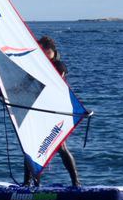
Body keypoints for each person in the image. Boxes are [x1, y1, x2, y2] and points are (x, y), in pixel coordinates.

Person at [23, 35, 81, 188]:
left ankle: (76, 183)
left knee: (60, 146)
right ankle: (29, 183)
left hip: (56, 111)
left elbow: (55, 85)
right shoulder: (38, 67)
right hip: (39, 110)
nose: (42, 54)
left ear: (51, 51)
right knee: (31, 146)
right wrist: (5, 93)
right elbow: (23, 86)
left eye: (44, 51)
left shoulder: (59, 65)